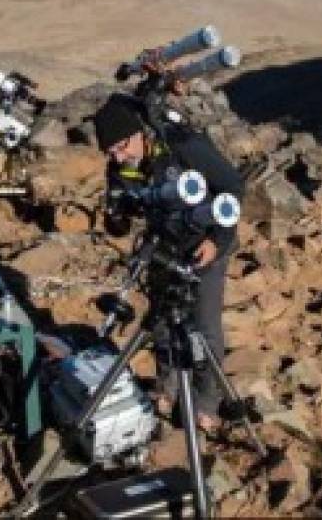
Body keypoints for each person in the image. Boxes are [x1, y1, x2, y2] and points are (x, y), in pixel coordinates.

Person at [92, 94, 243, 431]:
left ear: (139, 133)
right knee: (161, 321)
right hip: (162, 246)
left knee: (204, 327)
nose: (119, 158)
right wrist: (116, 217)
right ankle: (168, 386)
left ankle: (206, 403)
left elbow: (232, 186)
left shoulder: (183, 145)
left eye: (122, 148)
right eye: (111, 153)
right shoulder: (120, 165)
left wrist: (216, 240)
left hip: (205, 243)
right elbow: (121, 214)